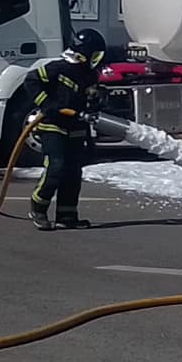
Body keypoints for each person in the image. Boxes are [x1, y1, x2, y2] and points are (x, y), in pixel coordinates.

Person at [22, 28, 106, 230]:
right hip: (53, 126)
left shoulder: (89, 74)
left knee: (73, 172)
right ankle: (38, 207)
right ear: (84, 53)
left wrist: (96, 99)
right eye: (95, 55)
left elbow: (90, 96)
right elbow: (31, 81)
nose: (97, 60)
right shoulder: (58, 68)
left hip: (76, 127)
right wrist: (48, 105)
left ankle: (67, 215)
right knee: (56, 167)